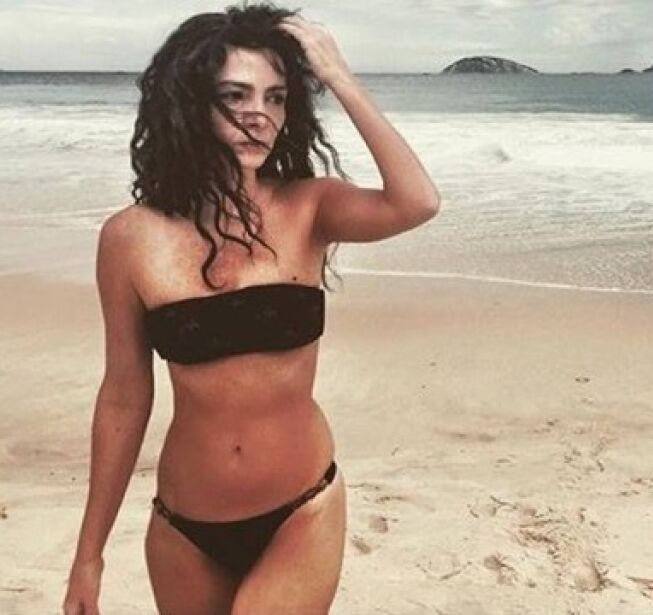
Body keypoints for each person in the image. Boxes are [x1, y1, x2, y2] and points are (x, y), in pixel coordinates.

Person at [62, 4, 440, 614]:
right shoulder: (130, 239)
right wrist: (89, 555)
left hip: (301, 510)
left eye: (276, 98)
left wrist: (338, 77)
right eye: (235, 95)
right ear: (190, 104)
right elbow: (124, 398)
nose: (258, 115)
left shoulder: (309, 208)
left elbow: (416, 201)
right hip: (184, 530)